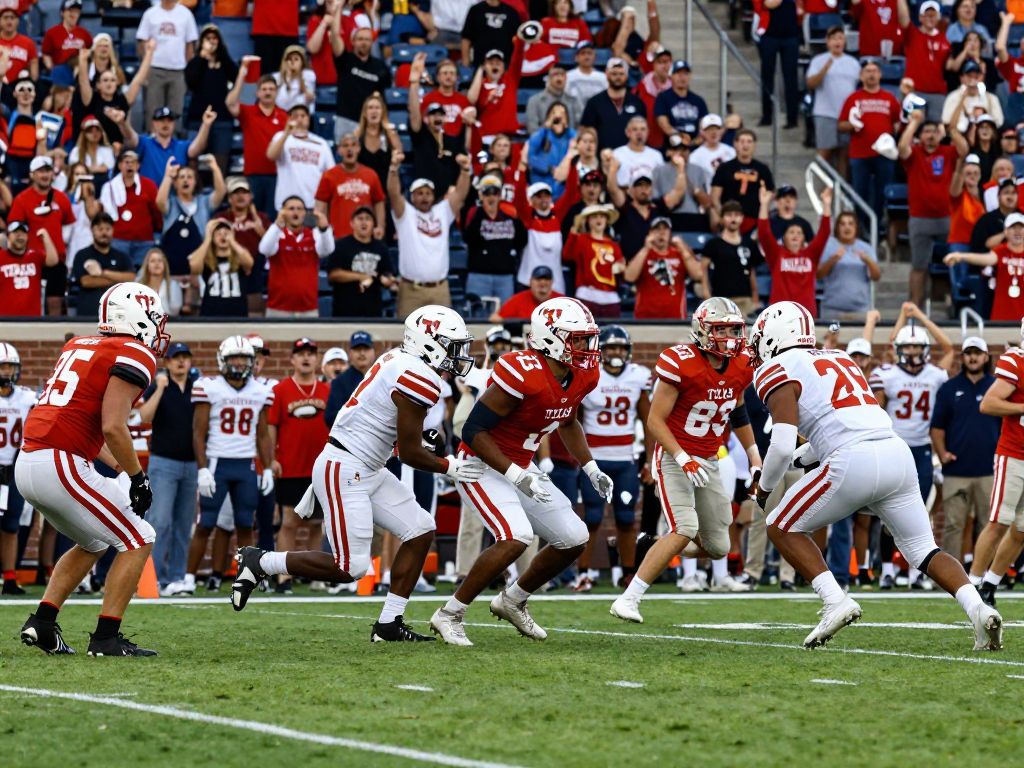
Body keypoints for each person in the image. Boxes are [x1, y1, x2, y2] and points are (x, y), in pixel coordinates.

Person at [747, 300, 1002, 651]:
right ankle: (978, 608)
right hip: (896, 454)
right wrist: (806, 455)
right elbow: (841, 422)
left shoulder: (775, 368)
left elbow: (780, 444)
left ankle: (835, 600)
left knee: (780, 525)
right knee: (924, 549)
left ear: (774, 336)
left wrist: (764, 489)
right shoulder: (840, 358)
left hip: (853, 459)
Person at [232, 307, 484, 643]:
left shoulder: (399, 359)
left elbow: (383, 422)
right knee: (350, 567)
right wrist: (450, 467)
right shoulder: (418, 376)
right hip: (347, 467)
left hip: (365, 464)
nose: (458, 356)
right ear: (429, 343)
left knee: (421, 530)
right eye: (452, 346)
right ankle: (262, 561)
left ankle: (389, 623)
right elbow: (409, 453)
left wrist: (420, 439)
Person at [430, 297, 609, 646]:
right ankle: (449, 613)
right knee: (515, 536)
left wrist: (590, 467)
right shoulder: (521, 370)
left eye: (588, 338)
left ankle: (512, 601)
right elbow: (473, 431)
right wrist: (514, 474)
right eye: (577, 339)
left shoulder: (581, 373)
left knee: (574, 537)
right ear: (550, 339)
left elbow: (568, 420)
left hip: (521, 465)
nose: (587, 347)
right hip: (481, 465)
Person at [17, 282, 169, 657]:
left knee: (94, 541)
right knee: (139, 536)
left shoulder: (79, 345)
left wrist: (118, 464)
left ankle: (43, 623)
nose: (158, 328)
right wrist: (138, 477)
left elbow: (84, 420)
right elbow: (113, 426)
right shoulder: (133, 351)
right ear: (134, 317)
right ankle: (105, 638)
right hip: (60, 463)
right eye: (153, 318)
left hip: (32, 461)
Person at [611, 298, 762, 622]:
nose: (730, 337)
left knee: (719, 546)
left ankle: (660, 545)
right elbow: (654, 420)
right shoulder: (680, 362)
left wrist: (753, 455)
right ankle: (629, 598)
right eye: (721, 330)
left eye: (734, 329)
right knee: (685, 527)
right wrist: (681, 456)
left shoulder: (740, 364)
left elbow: (738, 410)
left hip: (708, 457)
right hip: (673, 456)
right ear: (703, 330)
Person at [869, 302, 954, 589]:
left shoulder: (935, 374)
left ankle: (917, 572)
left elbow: (949, 348)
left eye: (919, 348)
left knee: (921, 514)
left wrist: (920, 317)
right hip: (895, 448)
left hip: (924, 451)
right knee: (887, 514)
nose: (914, 353)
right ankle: (889, 571)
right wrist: (905, 321)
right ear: (899, 349)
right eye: (909, 348)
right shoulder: (887, 373)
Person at [183, 336, 274, 594]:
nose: (238, 363)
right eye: (233, 358)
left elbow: (263, 433)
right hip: (216, 463)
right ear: (222, 360)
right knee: (206, 523)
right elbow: (198, 433)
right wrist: (202, 468)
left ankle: (249, 577)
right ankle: (189, 577)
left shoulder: (260, 391)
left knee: (246, 523)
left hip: (245, 465)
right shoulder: (208, 387)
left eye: (243, 358)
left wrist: (266, 466)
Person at [576, 326, 651, 590]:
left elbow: (648, 420)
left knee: (627, 518)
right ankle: (583, 574)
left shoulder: (637, 377)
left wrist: (650, 461)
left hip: (625, 461)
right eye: (610, 347)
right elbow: (572, 421)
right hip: (594, 460)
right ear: (600, 351)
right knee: (592, 518)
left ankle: (628, 573)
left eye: (620, 347)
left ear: (628, 350)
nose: (616, 352)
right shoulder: (589, 376)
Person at [266, 338, 330, 593]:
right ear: (292, 359)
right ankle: (284, 575)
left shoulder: (327, 390)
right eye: (301, 354)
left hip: (319, 467)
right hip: (291, 466)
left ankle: (314, 574)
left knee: (316, 523)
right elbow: (271, 426)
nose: (306, 358)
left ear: (317, 359)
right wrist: (271, 458)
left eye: (311, 354)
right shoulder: (281, 390)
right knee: (290, 521)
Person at [930, 336, 999, 564]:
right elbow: (937, 427)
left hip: (990, 470)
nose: (973, 357)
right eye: (968, 352)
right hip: (956, 471)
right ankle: (953, 577)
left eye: (977, 353)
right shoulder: (949, 388)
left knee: (988, 525)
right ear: (963, 357)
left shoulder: (996, 386)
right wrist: (942, 454)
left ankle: (985, 576)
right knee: (952, 525)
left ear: (986, 356)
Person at [137, 341, 197, 594]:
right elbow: (144, 417)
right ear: (167, 363)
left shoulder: (198, 387)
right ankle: (154, 577)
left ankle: (177, 577)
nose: (181, 362)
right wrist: (159, 388)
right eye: (175, 358)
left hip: (192, 464)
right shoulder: (158, 386)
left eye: (185, 357)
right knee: (159, 521)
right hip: (164, 462)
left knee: (184, 523)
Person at [388, 151, 472, 316]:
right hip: (411, 290)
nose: (424, 197)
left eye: (428, 193)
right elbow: (393, 193)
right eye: (419, 193)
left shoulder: (443, 212)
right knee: (408, 337)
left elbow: (460, 194)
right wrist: (393, 169)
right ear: (412, 197)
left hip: (439, 289)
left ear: (434, 196)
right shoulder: (406, 214)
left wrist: (465, 171)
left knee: (442, 338)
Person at [8, 156, 76, 315]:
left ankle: (55, 338)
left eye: (47, 171)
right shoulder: (22, 200)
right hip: (31, 260)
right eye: (40, 171)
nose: (45, 175)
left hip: (57, 260)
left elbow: (69, 225)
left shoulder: (61, 198)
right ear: (32, 175)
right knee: (29, 300)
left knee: (55, 302)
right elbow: (14, 229)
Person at [839, 60, 902, 225]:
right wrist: (851, 125)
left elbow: (897, 123)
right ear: (861, 76)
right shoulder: (853, 98)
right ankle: (861, 227)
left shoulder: (890, 98)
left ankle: (880, 226)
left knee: (884, 192)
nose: (871, 74)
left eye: (875, 71)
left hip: (885, 154)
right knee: (860, 192)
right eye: (867, 71)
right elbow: (841, 125)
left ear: (880, 75)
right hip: (860, 154)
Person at [757, 184, 832, 316]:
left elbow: (824, 233)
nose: (795, 235)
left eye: (799, 233)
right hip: (780, 315)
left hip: (806, 315)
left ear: (804, 239)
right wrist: (764, 204)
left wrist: (826, 204)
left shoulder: (811, 255)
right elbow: (764, 233)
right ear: (784, 238)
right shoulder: (777, 254)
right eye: (791, 232)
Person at [225, 66, 288, 216]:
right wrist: (241, 77)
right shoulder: (248, 112)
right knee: (252, 218)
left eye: (271, 89)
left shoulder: (285, 116)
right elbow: (230, 103)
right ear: (257, 92)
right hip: (253, 175)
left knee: (272, 220)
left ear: (276, 92)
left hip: (278, 175)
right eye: (264, 89)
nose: (267, 92)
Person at [259, 198, 334, 318]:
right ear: (282, 212)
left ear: (305, 213)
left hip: (308, 308)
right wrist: (277, 224)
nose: (296, 212)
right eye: (291, 209)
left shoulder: (314, 234)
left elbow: (327, 250)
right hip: (278, 308)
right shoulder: (276, 234)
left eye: (299, 209)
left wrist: (324, 230)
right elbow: (264, 249)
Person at [462, 174, 527, 310]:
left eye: (495, 193)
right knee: (477, 319)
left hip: (505, 277)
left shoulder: (510, 215)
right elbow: (469, 239)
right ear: (481, 195)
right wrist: (482, 214)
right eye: (487, 193)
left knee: (504, 318)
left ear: (499, 195)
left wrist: (516, 218)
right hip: (479, 275)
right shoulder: (474, 213)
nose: (491, 197)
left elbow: (522, 239)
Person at [945, 214, 1024, 320]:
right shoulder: (1000, 251)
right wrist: (960, 256)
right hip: (1002, 315)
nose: (1018, 232)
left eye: (1021, 228)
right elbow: (985, 259)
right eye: (1013, 228)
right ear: (1005, 231)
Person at [806, 27, 861, 175]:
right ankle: (818, 187)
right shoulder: (819, 60)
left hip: (846, 116)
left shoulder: (853, 63)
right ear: (828, 41)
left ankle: (840, 191)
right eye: (834, 38)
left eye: (841, 38)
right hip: (825, 113)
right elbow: (811, 84)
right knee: (824, 152)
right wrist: (824, 69)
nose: (838, 41)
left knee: (844, 154)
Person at [184, 24, 239, 172]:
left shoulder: (225, 63)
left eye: (215, 38)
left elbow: (237, 76)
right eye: (208, 38)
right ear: (201, 41)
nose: (212, 42)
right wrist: (202, 57)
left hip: (222, 119)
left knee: (220, 163)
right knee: (193, 160)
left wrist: (222, 54)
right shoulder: (195, 62)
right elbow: (191, 81)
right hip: (198, 119)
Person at [135, 0, 199, 127]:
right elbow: (142, 42)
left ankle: (175, 144)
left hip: (178, 71)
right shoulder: (150, 13)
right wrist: (145, 68)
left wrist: (187, 69)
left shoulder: (185, 14)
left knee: (176, 113)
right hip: (154, 69)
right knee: (152, 112)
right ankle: (152, 143)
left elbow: (190, 45)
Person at [623, 216, 701, 319]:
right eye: (657, 229)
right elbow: (629, 277)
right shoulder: (642, 254)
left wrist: (683, 248)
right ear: (650, 233)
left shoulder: (679, 254)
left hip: (675, 317)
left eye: (665, 229)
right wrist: (646, 248)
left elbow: (698, 275)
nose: (661, 232)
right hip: (645, 318)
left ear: (670, 233)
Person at [214, 177, 271, 316]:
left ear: (250, 196)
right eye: (236, 193)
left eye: (244, 192)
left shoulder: (262, 218)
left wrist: (260, 230)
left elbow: (272, 248)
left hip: (254, 270)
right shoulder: (221, 218)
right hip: (227, 268)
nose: (240, 196)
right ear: (229, 198)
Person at [98, 150, 163, 270]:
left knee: (142, 278)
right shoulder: (110, 187)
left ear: (138, 166)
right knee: (119, 274)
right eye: (126, 162)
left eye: (133, 162)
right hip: (118, 240)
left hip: (144, 241)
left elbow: (157, 213)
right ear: (119, 165)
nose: (129, 165)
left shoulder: (149, 185)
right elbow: (104, 214)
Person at [327, 202, 394, 317]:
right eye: (360, 218)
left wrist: (388, 280)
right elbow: (333, 274)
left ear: (373, 224)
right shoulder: (341, 245)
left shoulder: (381, 248)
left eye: (368, 219)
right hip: (344, 310)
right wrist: (361, 276)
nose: (364, 222)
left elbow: (387, 273)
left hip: (373, 311)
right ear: (352, 223)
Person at [315, 133, 384, 241]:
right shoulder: (329, 176)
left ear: (359, 149)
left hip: (365, 238)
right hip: (338, 238)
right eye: (345, 145)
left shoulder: (371, 175)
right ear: (339, 150)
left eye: (353, 145)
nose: (349, 149)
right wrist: (324, 231)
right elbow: (320, 207)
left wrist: (380, 226)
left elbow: (379, 202)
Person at [0, 344, 30, 594]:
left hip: (14, 469)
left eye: (10, 366)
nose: (7, 371)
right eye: (3, 366)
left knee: (12, 525)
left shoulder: (28, 397)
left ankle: (9, 576)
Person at [123, 106, 215, 186]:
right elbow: (130, 136)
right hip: (148, 199)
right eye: (161, 120)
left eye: (169, 120)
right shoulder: (145, 142)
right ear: (154, 123)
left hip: (174, 200)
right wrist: (121, 122)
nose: (165, 124)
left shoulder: (182, 146)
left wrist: (206, 125)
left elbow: (197, 149)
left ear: (174, 124)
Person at [267, 104, 335, 212]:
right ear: (288, 119)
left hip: (313, 204)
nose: (299, 119)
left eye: (303, 116)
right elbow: (271, 156)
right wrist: (286, 133)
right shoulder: (281, 137)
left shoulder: (321, 143)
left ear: (309, 119)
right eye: (295, 116)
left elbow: (331, 173)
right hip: (286, 204)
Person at [563, 204, 625, 318]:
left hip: (611, 298)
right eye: (594, 216)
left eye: (602, 216)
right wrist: (572, 234)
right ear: (588, 221)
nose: (599, 219)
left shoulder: (614, 245)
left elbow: (621, 266)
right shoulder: (581, 239)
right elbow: (567, 256)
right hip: (588, 295)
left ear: (607, 220)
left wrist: (621, 266)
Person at [330, 27, 391, 142]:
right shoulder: (345, 60)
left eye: (367, 39)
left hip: (369, 123)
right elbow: (334, 37)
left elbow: (382, 97)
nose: (364, 42)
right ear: (353, 42)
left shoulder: (380, 67)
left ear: (372, 42)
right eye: (360, 39)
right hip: (345, 119)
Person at [818, 211, 882, 319]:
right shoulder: (828, 246)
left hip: (861, 310)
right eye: (842, 224)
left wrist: (868, 260)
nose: (847, 227)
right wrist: (833, 259)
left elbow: (876, 276)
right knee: (831, 336)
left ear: (856, 227)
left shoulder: (866, 248)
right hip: (832, 310)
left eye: (850, 223)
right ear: (837, 228)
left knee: (859, 337)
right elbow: (818, 275)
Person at [71, 212, 135, 317]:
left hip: (117, 315)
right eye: (100, 229)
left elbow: (131, 278)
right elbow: (86, 281)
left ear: (113, 230)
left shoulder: (122, 256)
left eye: (108, 229)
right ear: (92, 230)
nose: (104, 233)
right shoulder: (82, 255)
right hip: (89, 313)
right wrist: (118, 280)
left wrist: (102, 273)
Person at [711, 129, 774, 233]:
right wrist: (723, 216)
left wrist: (762, 221)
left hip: (753, 221)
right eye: (742, 141)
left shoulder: (763, 169)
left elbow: (769, 196)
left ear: (754, 145)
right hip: (728, 220)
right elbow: (715, 197)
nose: (745, 145)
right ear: (735, 144)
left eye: (749, 142)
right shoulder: (724, 168)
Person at [897, 0, 951, 122]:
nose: (930, 18)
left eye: (933, 15)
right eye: (927, 15)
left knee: (937, 129)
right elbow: (903, 18)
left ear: (938, 17)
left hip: (938, 92)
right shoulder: (912, 34)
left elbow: (949, 65)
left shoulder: (944, 39)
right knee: (912, 125)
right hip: (915, 91)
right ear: (920, 17)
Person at [188, 218, 253, 317]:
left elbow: (249, 263)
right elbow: (194, 267)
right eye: (218, 234)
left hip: (238, 315)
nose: (223, 236)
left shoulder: (240, 257)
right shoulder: (206, 258)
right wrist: (207, 239)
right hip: (211, 314)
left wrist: (233, 241)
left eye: (226, 233)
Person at [580, 58, 647, 150]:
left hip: (631, 160)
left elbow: (644, 131)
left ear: (627, 75)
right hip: (603, 158)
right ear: (606, 74)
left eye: (621, 74)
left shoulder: (637, 103)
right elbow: (585, 131)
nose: (618, 77)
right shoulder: (594, 103)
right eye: (614, 74)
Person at [0, 220, 57, 316]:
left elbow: (53, 261)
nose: (20, 236)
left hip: (32, 319)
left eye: (23, 233)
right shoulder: (1, 256)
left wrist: (46, 237)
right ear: (8, 236)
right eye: (15, 233)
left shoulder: (34, 255)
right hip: (5, 319)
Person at [324, 331, 377, 425]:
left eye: (366, 348)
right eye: (357, 349)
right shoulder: (340, 382)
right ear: (350, 353)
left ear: (373, 351)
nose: (362, 353)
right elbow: (330, 418)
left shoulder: (382, 377)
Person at [653, 59, 707, 139]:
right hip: (672, 146)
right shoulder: (663, 98)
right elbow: (664, 125)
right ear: (671, 76)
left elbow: (704, 127)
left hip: (694, 146)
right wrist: (681, 138)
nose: (682, 77)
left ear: (690, 76)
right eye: (678, 73)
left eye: (685, 74)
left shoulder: (698, 101)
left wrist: (695, 142)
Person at [490, 265, 564, 321]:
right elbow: (495, 318)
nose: (543, 283)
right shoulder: (518, 299)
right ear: (530, 282)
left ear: (552, 282)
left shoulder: (562, 301)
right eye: (538, 279)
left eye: (546, 279)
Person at [527, 64, 584, 134]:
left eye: (562, 75)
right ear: (548, 79)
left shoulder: (574, 101)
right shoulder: (534, 101)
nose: (559, 78)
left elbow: (581, 128)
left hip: (570, 142)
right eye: (555, 74)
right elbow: (532, 130)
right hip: (544, 142)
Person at [461, 0, 519, 67]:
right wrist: (465, 61)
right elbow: (466, 38)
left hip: (505, 64)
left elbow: (518, 39)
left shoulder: (511, 12)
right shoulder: (475, 10)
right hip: (480, 64)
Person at [273, 45, 316, 113]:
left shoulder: (308, 75)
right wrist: (288, 79)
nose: (292, 62)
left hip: (302, 115)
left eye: (296, 59)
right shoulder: (276, 77)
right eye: (289, 59)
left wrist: (299, 77)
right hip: (281, 114)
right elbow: (281, 101)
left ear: (302, 62)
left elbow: (309, 99)